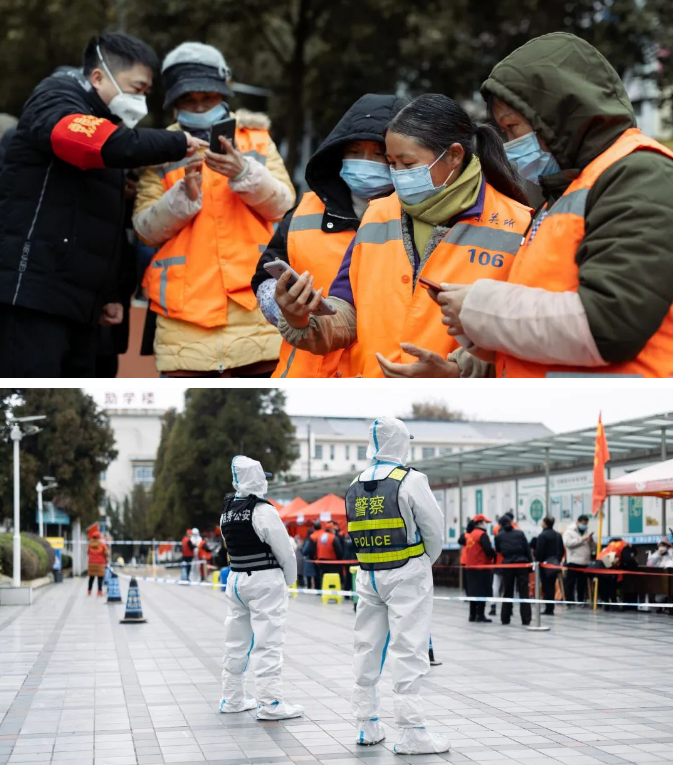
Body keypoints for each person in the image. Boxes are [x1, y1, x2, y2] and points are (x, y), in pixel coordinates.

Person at [433, 33, 673, 379]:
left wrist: (478, 307)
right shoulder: (565, 190)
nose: (511, 145)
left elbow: (610, 323)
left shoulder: (640, 175)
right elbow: (546, 324)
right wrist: (466, 366)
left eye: (513, 128)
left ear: (557, 115)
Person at [275, 93, 532, 378]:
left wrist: (454, 370)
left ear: (455, 155)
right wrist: (300, 318)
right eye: (392, 163)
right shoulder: (378, 213)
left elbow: (521, 329)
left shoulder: (519, 224)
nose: (397, 175)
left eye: (408, 164)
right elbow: (346, 313)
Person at [0, 33, 205, 377]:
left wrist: (111, 292)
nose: (140, 100)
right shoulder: (57, 99)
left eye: (145, 93)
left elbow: (106, 226)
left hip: (83, 306)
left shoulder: (112, 131)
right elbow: (87, 141)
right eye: (136, 88)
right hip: (33, 295)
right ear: (98, 77)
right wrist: (177, 143)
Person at [133, 42, 295, 377]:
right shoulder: (158, 148)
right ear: (175, 104)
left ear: (223, 95)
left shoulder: (256, 140)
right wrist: (182, 196)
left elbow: (284, 205)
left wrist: (244, 173)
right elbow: (145, 229)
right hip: (183, 313)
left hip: (254, 305)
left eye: (207, 98)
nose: (199, 106)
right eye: (189, 100)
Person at [252, 94, 404, 377]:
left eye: (379, 154)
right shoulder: (303, 212)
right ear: (339, 155)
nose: (366, 163)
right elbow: (265, 276)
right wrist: (283, 306)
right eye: (355, 152)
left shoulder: (418, 218)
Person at [345, 417, 449, 754]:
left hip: (368, 574)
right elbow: (434, 528)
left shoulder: (355, 483)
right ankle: (412, 732)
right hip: (406, 571)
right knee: (409, 646)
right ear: (401, 443)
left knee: (367, 646)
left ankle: (367, 725)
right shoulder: (411, 479)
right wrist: (422, 562)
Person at [219, 456, 303, 719]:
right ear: (257, 478)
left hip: (236, 579)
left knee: (236, 642)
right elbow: (286, 552)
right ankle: (271, 704)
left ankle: (232, 699)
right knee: (268, 643)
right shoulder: (263, 510)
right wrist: (289, 580)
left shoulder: (228, 510)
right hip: (265, 581)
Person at [495, 515, 532, 625]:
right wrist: (529, 565)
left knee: (507, 592)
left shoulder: (499, 536)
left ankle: (505, 618)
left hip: (508, 565)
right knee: (524, 592)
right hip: (521, 564)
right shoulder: (520, 533)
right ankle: (526, 619)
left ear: (500, 524)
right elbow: (527, 549)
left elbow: (499, 550)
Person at [460, 514, 496, 623]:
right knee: (482, 592)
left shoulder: (470, 534)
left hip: (470, 567)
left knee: (472, 592)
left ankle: (472, 615)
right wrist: (494, 554)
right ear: (480, 522)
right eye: (485, 522)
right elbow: (488, 550)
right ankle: (480, 615)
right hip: (481, 567)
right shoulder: (482, 535)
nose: (486, 525)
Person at [534, 516, 565, 615]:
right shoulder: (557, 535)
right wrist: (557, 560)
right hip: (555, 564)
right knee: (551, 585)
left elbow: (539, 551)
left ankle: (549, 608)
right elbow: (561, 549)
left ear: (545, 523)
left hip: (545, 564)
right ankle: (550, 607)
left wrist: (538, 562)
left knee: (546, 586)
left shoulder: (542, 535)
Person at [489, 511, 517, 616]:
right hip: (510, 562)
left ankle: (493, 606)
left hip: (498, 562)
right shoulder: (515, 530)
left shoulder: (497, 530)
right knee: (509, 586)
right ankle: (509, 607)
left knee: (495, 585)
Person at [563, 515, 593, 606]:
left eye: (586, 524)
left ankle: (580, 600)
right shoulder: (569, 531)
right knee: (570, 583)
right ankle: (570, 601)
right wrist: (582, 539)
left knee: (582, 584)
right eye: (583, 523)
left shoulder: (587, 532)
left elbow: (593, 547)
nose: (584, 525)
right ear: (578, 522)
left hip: (585, 562)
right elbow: (568, 543)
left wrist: (591, 541)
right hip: (573, 561)